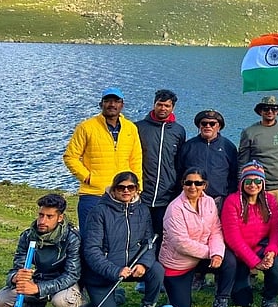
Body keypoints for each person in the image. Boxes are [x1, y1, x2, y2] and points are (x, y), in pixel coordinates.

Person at [81, 171, 164, 307]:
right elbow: (91, 250)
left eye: (130, 187)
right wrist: (114, 271)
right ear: (113, 189)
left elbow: (149, 242)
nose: (126, 191)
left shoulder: (143, 210)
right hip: (102, 273)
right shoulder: (98, 212)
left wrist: (144, 264)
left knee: (157, 270)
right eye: (121, 187)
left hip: (132, 267)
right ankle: (110, 295)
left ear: (136, 189)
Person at [0, 193, 81, 307]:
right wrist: (16, 277)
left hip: (63, 282)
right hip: (38, 278)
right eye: (41, 215)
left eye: (49, 217)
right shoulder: (28, 236)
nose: (42, 221)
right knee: (1, 301)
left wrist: (38, 289)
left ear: (60, 218)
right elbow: (16, 267)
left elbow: (72, 275)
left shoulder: (71, 238)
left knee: (62, 301)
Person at [159, 168, 237, 307]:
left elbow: (216, 229)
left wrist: (217, 254)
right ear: (183, 184)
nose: (193, 187)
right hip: (179, 263)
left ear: (204, 185)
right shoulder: (174, 208)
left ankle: (221, 303)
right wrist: (211, 253)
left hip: (201, 257)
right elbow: (181, 243)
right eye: (188, 183)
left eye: (198, 183)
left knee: (229, 260)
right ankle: (171, 292)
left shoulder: (209, 202)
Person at [64, 87, 142, 228]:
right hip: (93, 193)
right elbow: (70, 156)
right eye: (108, 101)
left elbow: (135, 160)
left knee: (118, 237)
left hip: (122, 193)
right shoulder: (86, 127)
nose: (112, 104)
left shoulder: (131, 128)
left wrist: (137, 186)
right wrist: (87, 177)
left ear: (122, 105)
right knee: (90, 236)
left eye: (116, 101)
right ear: (101, 104)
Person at [221, 165, 278, 307]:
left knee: (275, 265)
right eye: (248, 180)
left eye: (257, 180)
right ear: (242, 182)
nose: (253, 185)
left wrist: (271, 251)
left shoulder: (270, 201)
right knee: (242, 301)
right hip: (239, 252)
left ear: (262, 183)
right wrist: (255, 262)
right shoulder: (232, 201)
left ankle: (269, 298)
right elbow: (232, 237)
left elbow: (276, 230)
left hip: (260, 246)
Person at [135, 89, 186, 242]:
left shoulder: (178, 131)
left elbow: (179, 162)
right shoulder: (138, 128)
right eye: (160, 104)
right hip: (141, 194)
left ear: (173, 108)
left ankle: (157, 264)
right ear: (154, 104)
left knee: (160, 234)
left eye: (167, 106)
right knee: (138, 233)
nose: (163, 108)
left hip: (166, 194)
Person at [238, 95, 278, 214]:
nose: (270, 111)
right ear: (260, 111)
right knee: (258, 221)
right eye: (266, 109)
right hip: (257, 186)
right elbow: (242, 163)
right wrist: (241, 187)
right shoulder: (249, 132)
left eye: (273, 108)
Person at [177, 110, 238, 206]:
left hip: (219, 199)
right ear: (199, 126)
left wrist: (229, 196)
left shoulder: (229, 147)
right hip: (192, 198)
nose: (208, 126)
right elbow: (179, 172)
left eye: (212, 124)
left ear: (219, 127)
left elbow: (234, 175)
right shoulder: (188, 146)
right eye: (204, 123)